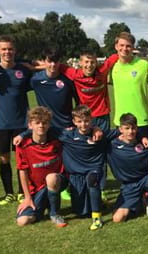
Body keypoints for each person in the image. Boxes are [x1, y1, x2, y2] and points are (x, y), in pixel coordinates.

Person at [58, 51, 118, 193]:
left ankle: (100, 187)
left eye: (92, 62)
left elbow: (115, 56)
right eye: (86, 62)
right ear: (80, 63)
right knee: (80, 149)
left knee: (101, 150)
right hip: (83, 118)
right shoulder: (74, 74)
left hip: (102, 116)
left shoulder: (102, 71)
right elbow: (55, 65)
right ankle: (76, 182)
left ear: (96, 63)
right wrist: (32, 66)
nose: (89, 65)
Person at [0, 35, 32, 205]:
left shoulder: (24, 71)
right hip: (1, 123)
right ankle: (9, 193)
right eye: (4, 49)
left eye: (10, 49)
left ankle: (22, 191)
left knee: (23, 158)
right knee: (4, 158)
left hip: (21, 123)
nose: (7, 52)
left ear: (15, 50)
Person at [15, 106, 68, 227]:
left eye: (44, 123)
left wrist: (96, 128)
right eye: (37, 123)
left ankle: (54, 213)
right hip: (37, 189)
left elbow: (78, 132)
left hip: (58, 181)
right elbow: (22, 171)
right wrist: (27, 198)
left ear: (49, 125)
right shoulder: (22, 145)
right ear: (30, 125)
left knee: (51, 178)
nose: (41, 126)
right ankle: (44, 206)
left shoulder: (58, 139)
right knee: (22, 221)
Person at [110, 31, 148, 137]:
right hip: (120, 121)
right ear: (116, 46)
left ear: (133, 47)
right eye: (121, 45)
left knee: (144, 152)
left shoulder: (143, 65)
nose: (124, 48)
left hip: (141, 120)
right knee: (123, 153)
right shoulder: (112, 66)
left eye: (128, 46)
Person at [30, 48, 76, 130]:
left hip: (67, 127)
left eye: (56, 61)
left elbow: (79, 102)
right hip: (46, 127)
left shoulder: (68, 80)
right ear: (44, 61)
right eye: (50, 61)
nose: (53, 64)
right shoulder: (36, 80)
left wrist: (76, 122)